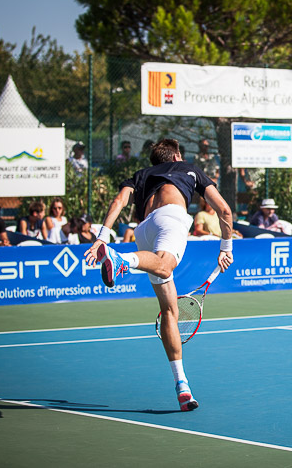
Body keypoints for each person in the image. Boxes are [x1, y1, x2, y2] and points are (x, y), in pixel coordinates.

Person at [84, 138, 234, 412]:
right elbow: (224, 209)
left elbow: (119, 200)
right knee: (165, 265)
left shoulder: (140, 175)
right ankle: (121, 260)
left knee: (169, 311)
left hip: (144, 229)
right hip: (170, 219)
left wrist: (101, 236)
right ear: (176, 156)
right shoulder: (189, 168)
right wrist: (226, 247)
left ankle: (182, 385)